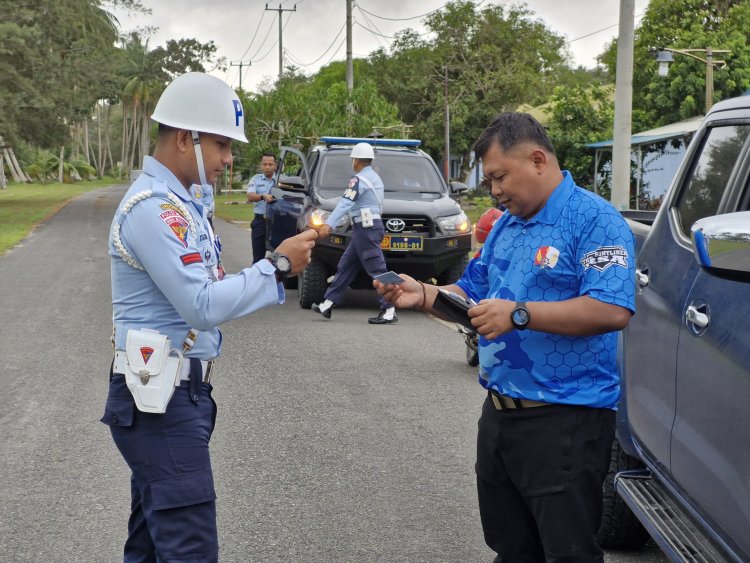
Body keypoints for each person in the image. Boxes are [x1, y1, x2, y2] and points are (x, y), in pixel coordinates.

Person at [375, 112, 636, 562]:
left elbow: (611, 309)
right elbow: (472, 292)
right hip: (500, 416)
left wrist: (518, 314)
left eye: (499, 177)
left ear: (537, 160)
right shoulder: (506, 225)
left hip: (565, 418)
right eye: (489, 180)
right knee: (512, 547)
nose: (494, 190)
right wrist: (423, 294)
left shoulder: (595, 221)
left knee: (567, 552)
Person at [101, 72, 317, 563]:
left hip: (176, 395)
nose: (228, 160)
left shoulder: (181, 203)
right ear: (184, 139)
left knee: (153, 546)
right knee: (189, 547)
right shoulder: (152, 209)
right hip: (161, 403)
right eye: (221, 145)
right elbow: (201, 303)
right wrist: (278, 265)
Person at [311, 142, 397, 324]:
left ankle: (389, 309)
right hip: (365, 228)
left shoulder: (359, 180)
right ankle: (327, 303)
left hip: (366, 229)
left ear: (356, 161)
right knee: (346, 266)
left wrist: (330, 224)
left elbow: (345, 203)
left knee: (378, 269)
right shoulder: (374, 177)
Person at [246, 152, 277, 263]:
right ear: (261, 165)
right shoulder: (255, 179)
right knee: (258, 258)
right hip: (260, 222)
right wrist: (262, 196)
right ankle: (255, 279)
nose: (267, 167)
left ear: (275, 165)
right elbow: (250, 196)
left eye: (270, 164)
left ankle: (276, 280)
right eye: (265, 164)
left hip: (277, 223)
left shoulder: (281, 180)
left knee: (280, 258)